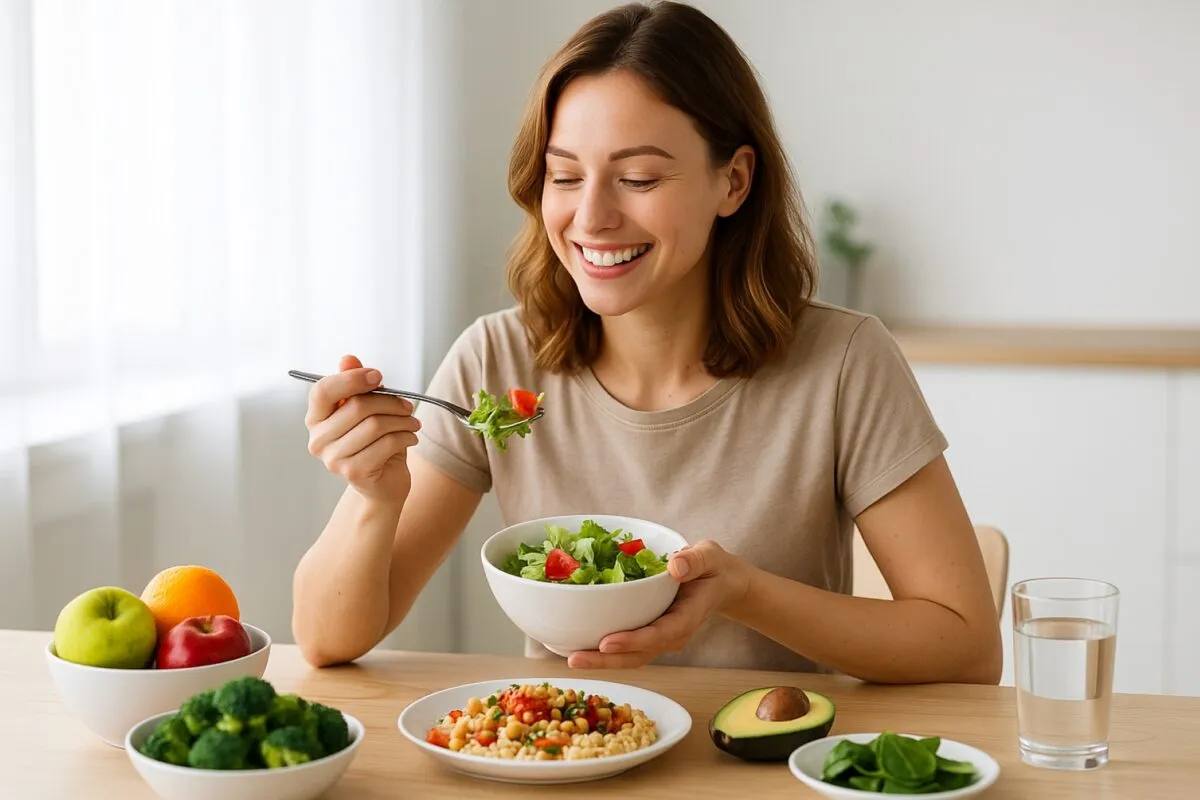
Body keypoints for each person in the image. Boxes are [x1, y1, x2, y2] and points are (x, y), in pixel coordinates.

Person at [292, 0, 1002, 685]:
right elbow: (327, 639)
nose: (592, 216)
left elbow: (966, 646)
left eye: (637, 178)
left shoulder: (843, 364)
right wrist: (373, 496)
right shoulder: (497, 362)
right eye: (565, 176)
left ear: (734, 180)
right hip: (571, 758)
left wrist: (744, 592)